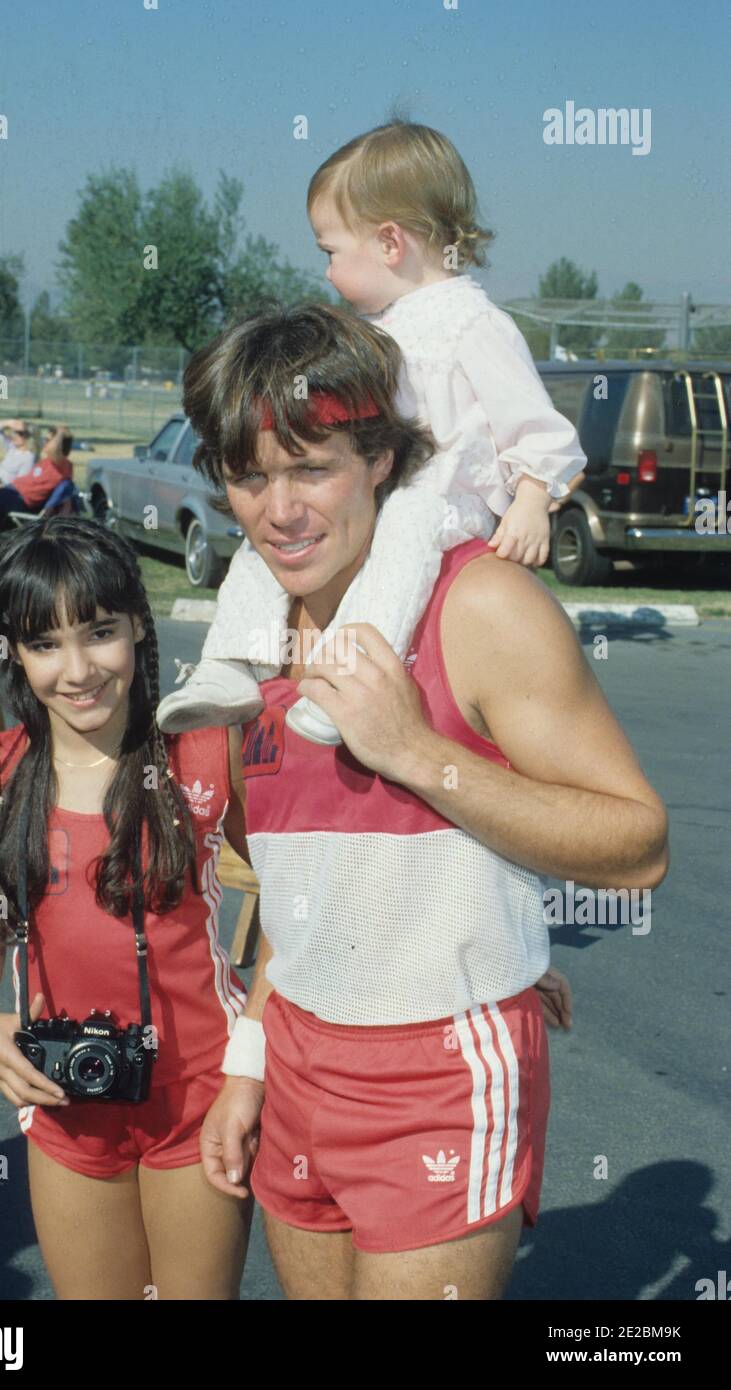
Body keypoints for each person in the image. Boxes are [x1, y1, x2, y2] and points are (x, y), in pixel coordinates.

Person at [184, 302, 669, 1300]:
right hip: (300, 1063)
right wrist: (249, 1063)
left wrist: (415, 751)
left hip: (440, 1074)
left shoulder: (478, 603)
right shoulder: (252, 643)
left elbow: (637, 843)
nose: (279, 510)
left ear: (377, 459)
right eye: (249, 476)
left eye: (311, 466)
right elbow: (295, 897)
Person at [157, 120, 586, 746]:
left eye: (331, 251)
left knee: (403, 533)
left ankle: (348, 684)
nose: (328, 272)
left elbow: (540, 430)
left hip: (445, 500)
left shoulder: (472, 325)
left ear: (389, 243)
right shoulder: (382, 328)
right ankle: (230, 665)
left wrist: (529, 503)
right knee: (272, 535)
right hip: (389, 491)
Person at [0, 516, 254, 1299]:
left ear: (139, 626)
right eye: (45, 644)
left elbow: (306, 905)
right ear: (14, 651)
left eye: (100, 632)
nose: (77, 670)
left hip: (200, 1097)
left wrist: (251, 1066)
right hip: (66, 1100)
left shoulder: (203, 752)